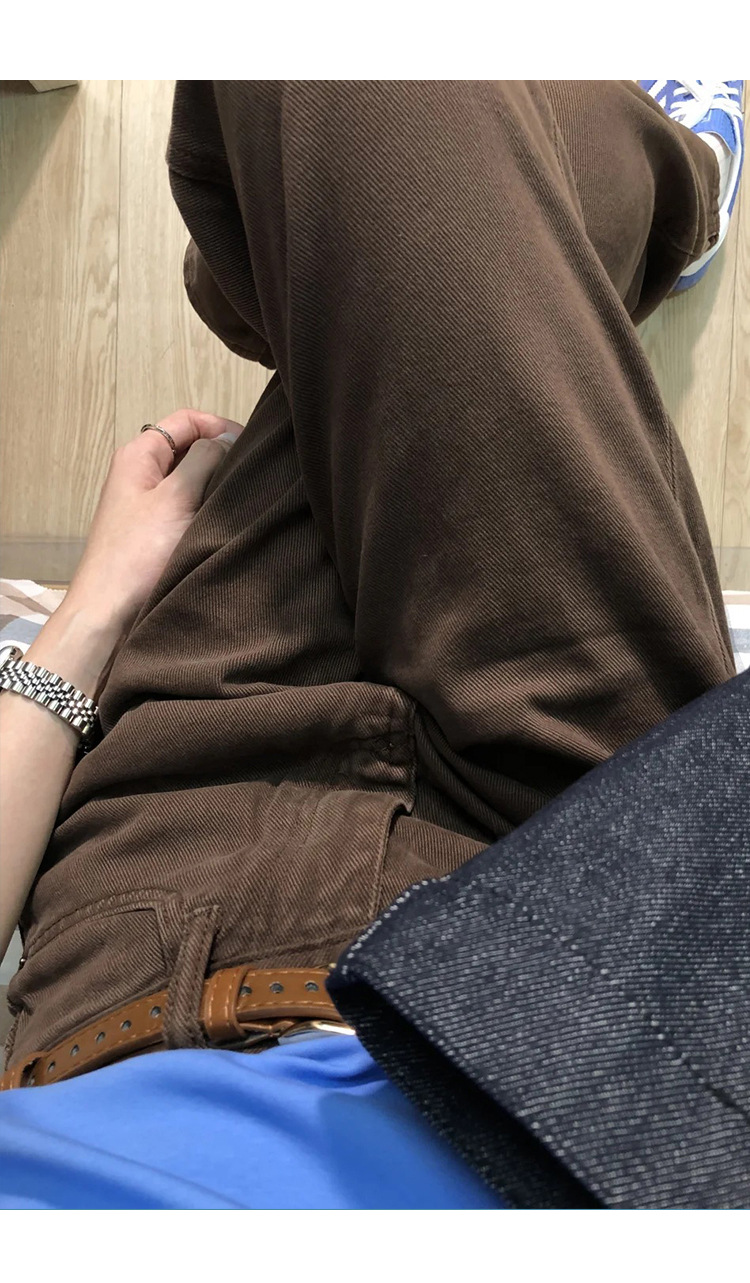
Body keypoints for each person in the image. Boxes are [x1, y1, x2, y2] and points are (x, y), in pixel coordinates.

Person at [0, 79, 744, 1210]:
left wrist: (93, 607)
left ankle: (300, 263)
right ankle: (650, 186)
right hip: (579, 951)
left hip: (167, 887)